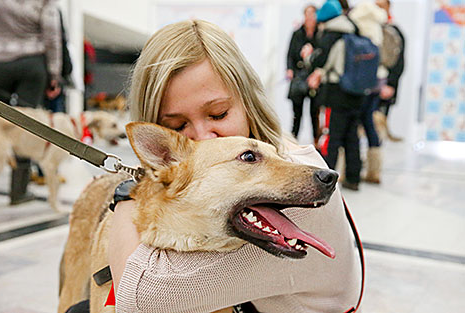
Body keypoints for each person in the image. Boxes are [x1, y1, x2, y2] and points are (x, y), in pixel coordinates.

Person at [67, 19, 362, 313]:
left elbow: (143, 295)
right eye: (177, 125)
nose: (203, 138)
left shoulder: (297, 195)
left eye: (219, 114)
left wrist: (125, 199)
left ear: (249, 102)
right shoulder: (232, 197)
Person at [0, 0, 62, 204]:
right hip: (31, 64)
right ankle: (19, 191)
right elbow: (52, 37)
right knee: (25, 125)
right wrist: (54, 74)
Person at [305, 0, 364, 191]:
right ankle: (353, 178)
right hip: (356, 91)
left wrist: (309, 56)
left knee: (332, 135)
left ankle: (324, 181)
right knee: (352, 136)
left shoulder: (331, 34)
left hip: (336, 91)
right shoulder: (354, 28)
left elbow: (319, 61)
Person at [349, 1, 388, 184]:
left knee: (353, 124)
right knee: (369, 123)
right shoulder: (380, 24)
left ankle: (351, 169)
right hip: (378, 79)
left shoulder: (358, 18)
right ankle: (374, 170)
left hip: (361, 80)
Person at [286, 4, 320, 142]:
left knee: (315, 112)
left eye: (312, 14)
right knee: (297, 112)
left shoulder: (321, 33)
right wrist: (289, 69)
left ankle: (316, 140)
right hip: (299, 76)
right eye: (307, 14)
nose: (309, 17)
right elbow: (289, 54)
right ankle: (294, 139)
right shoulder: (297, 33)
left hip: (314, 78)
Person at [376, 0, 405, 118]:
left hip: (385, 86)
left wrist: (391, 84)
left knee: (378, 125)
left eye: (381, 6)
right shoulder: (370, 30)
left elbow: (399, 62)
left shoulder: (394, 33)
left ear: (388, 7)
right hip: (368, 88)